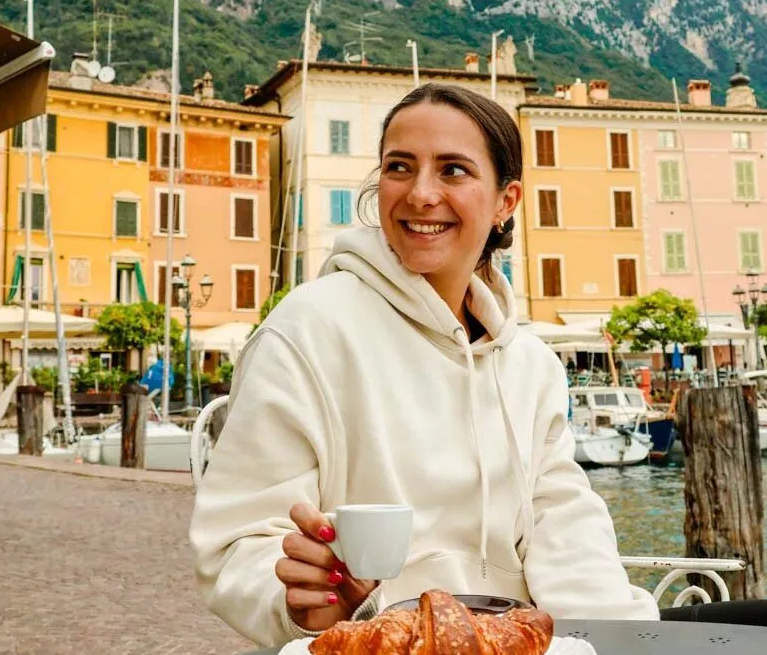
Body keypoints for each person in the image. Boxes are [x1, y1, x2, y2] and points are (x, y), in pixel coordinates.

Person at [190, 83, 659, 647]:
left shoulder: (530, 364)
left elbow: (567, 530)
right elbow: (238, 542)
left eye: (453, 170)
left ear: (506, 201)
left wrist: (625, 641)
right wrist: (302, 603)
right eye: (399, 167)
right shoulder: (306, 331)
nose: (420, 194)